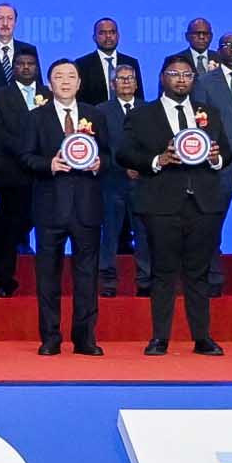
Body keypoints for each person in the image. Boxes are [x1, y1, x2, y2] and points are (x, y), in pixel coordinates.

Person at [123, 55, 229, 356]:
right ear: (162, 78)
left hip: (203, 204)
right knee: (163, 272)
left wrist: (216, 158)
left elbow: (227, 152)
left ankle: (202, 338)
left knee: (199, 273)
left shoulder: (209, 112)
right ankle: (160, 338)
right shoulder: (143, 115)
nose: (181, 79)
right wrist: (157, 160)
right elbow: (124, 153)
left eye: (187, 74)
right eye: (174, 74)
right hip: (161, 204)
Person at [11, 59, 110, 357]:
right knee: (47, 276)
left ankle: (85, 338)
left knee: (87, 276)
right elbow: (24, 156)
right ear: (49, 83)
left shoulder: (95, 115)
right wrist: (49, 164)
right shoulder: (35, 117)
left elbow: (109, 154)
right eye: (58, 76)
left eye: (70, 77)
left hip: (87, 206)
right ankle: (50, 337)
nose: (65, 81)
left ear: (79, 83)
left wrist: (99, 163)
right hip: (49, 206)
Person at [0, 42, 48, 297]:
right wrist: (26, 153)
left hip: (46, 173)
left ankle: (47, 281)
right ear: (13, 68)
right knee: (8, 230)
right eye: (21, 64)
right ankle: (4, 280)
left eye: (30, 64)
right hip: (13, 173)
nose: (26, 68)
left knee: (47, 228)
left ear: (37, 67)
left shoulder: (49, 93)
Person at [96, 58, 144, 298]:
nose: (126, 82)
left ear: (136, 84)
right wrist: (123, 166)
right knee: (110, 233)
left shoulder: (148, 109)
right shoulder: (101, 111)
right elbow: (100, 147)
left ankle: (145, 280)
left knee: (144, 233)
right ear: (112, 84)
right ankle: (107, 281)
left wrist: (141, 165)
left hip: (143, 182)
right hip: (112, 182)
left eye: (130, 78)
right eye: (121, 79)